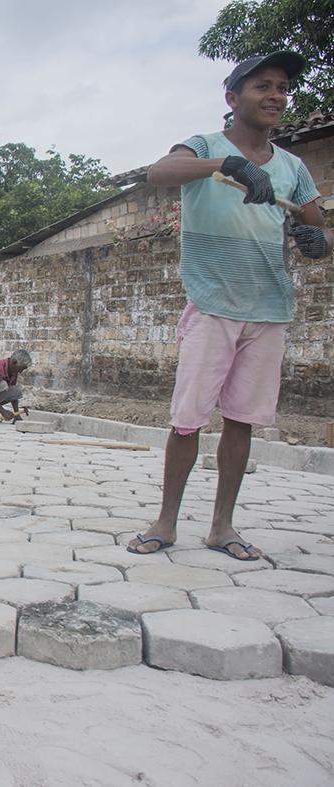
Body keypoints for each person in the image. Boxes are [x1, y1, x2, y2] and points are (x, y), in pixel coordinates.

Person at [128, 51, 331, 561]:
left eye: (282, 88)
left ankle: (222, 527)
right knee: (187, 420)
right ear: (232, 97)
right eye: (262, 86)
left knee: (241, 421)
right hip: (212, 303)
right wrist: (226, 164)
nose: (275, 96)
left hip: (269, 308)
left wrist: (317, 240)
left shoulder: (292, 167)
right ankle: (165, 521)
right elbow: (159, 172)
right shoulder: (204, 148)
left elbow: (315, 222)